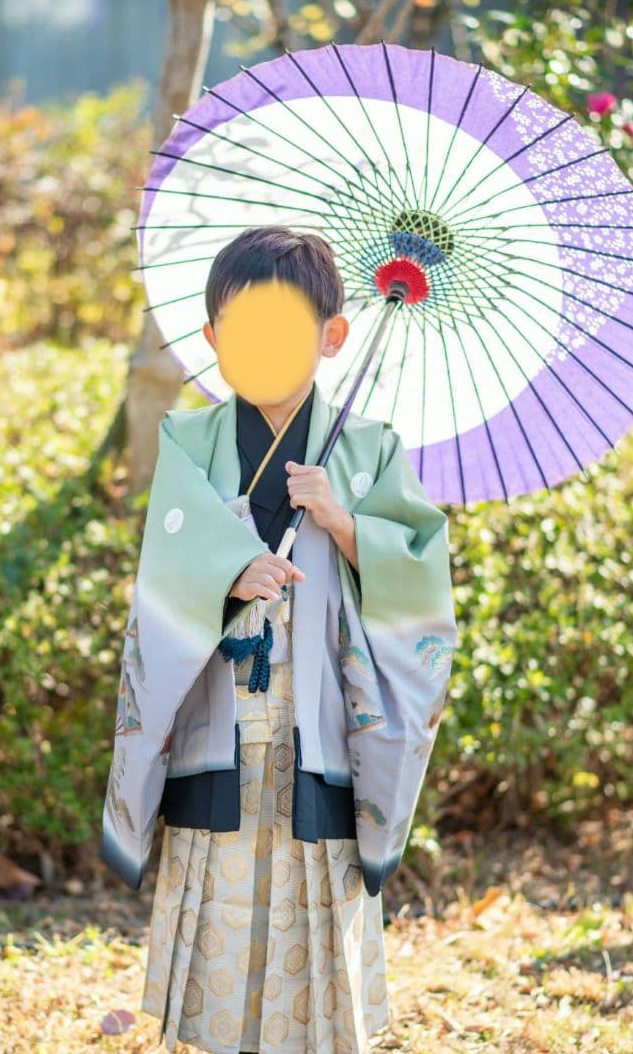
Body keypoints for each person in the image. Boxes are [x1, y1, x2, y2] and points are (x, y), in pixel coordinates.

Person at [99, 226, 457, 1053]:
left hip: (321, 716)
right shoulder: (189, 439)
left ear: (332, 336)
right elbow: (168, 557)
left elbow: (420, 578)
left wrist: (343, 522)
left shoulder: (369, 449)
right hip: (218, 711)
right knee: (217, 893)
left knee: (315, 894)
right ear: (212, 336)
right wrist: (227, 570)